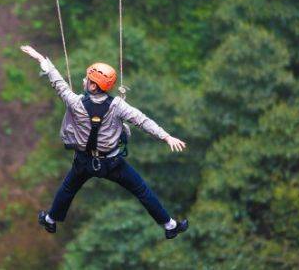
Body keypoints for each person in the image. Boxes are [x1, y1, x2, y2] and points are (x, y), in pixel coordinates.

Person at [20, 45, 189, 239]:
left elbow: (57, 81)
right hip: (112, 163)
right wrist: (166, 136)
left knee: (67, 189)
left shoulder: (75, 103)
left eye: (87, 79)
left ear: (92, 86)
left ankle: (50, 220)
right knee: (142, 190)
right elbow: (141, 120)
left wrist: (42, 59)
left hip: (84, 162)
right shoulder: (117, 105)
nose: (84, 80)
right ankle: (169, 225)